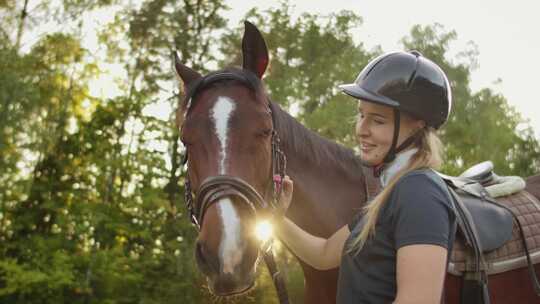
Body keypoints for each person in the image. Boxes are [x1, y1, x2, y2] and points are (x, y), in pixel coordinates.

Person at [274, 50, 457, 304]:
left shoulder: (420, 194)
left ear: (417, 125)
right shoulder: (389, 194)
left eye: (378, 120)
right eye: (361, 115)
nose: (361, 130)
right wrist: (274, 218)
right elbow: (324, 254)